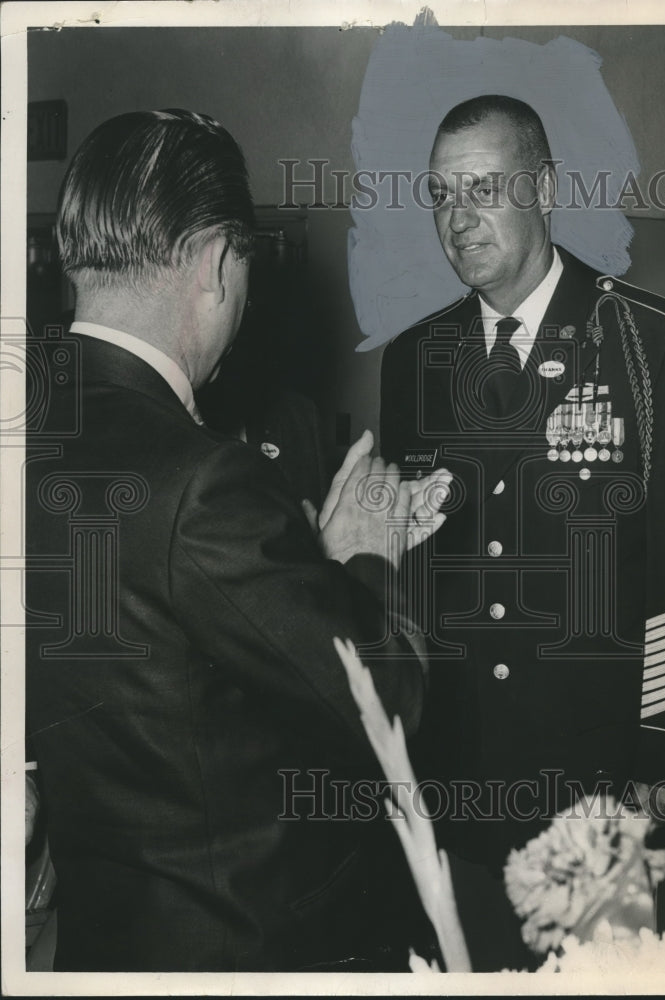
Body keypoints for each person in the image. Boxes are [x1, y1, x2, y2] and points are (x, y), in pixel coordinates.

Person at [25, 109, 452, 972]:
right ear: (219, 263)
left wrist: (311, 574)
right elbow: (386, 707)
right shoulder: (203, 480)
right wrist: (369, 554)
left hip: (98, 938)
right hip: (232, 947)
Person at [380, 95, 665, 963]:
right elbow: (412, 582)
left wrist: (655, 803)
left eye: (482, 187)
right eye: (439, 194)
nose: (457, 218)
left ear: (544, 188)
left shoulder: (650, 347)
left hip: (599, 811)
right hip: (455, 798)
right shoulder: (414, 363)